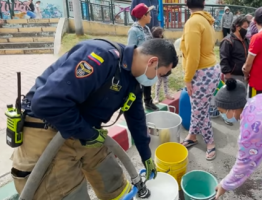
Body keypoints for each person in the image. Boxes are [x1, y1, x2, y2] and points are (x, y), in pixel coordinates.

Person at [11, 38, 178, 199]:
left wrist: (146, 156)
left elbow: (137, 119)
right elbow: (46, 103)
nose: (156, 80)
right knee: (66, 194)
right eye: (159, 74)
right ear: (152, 62)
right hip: (48, 130)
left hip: (84, 130)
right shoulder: (101, 57)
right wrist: (88, 134)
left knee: (113, 181)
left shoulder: (132, 82)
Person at [180, 0, 220, 160]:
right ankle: (192, 136)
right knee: (199, 108)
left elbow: (193, 56)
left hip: (201, 73)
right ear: (203, 2)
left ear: (186, 2)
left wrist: (187, 79)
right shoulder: (205, 20)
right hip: (210, 71)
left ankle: (210, 143)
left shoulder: (193, 22)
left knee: (200, 111)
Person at [127, 3, 159, 111]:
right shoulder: (133, 31)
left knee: (147, 82)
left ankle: (148, 102)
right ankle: (137, 107)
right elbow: (130, 49)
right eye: (149, 14)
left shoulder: (146, 29)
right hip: (138, 64)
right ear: (143, 16)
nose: (151, 16)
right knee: (137, 86)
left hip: (147, 62)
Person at [220, 16, 249, 126]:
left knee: (241, 96)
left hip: (243, 74)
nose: (247, 29)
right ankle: (226, 116)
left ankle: (238, 114)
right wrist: (228, 75)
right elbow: (224, 60)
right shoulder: (228, 41)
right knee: (230, 98)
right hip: (233, 74)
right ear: (237, 27)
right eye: (245, 27)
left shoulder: (245, 40)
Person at [152, 27, 174, 103]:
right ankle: (156, 97)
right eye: (162, 33)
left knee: (165, 81)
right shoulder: (154, 44)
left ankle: (166, 93)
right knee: (158, 82)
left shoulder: (164, 42)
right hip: (159, 66)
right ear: (159, 35)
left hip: (165, 64)